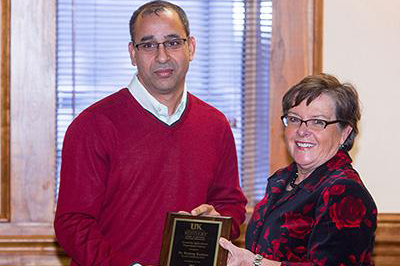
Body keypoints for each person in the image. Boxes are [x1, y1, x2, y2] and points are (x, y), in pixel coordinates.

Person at [54, 1, 247, 265]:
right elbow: (72, 223)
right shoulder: (92, 125)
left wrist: (219, 220)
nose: (162, 57)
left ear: (190, 47)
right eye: (148, 45)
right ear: (133, 53)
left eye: (172, 43)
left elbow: (231, 205)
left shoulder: (215, 124)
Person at [219, 73, 377, 266]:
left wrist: (255, 263)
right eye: (294, 119)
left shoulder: (344, 191)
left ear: (345, 133)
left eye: (318, 122)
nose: (302, 130)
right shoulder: (282, 180)